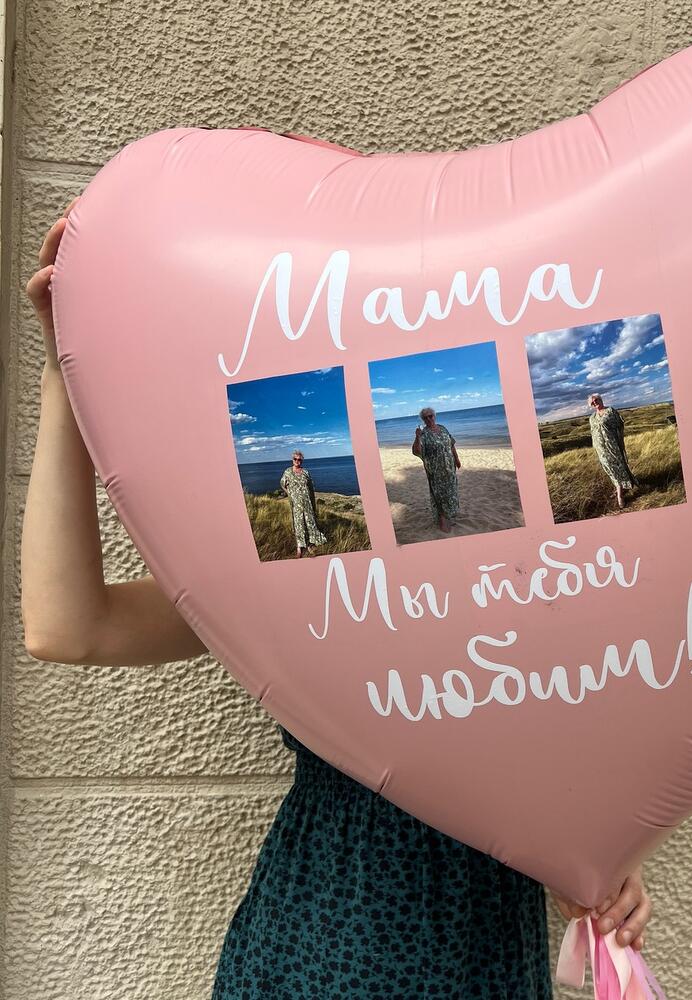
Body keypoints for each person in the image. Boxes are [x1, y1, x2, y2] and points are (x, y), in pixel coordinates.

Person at [20, 202, 653, 998]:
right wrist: (63, 372)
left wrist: (600, 854)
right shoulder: (303, 581)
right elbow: (68, 626)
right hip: (313, 952)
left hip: (486, 956)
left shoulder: (554, 573)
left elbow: (590, 747)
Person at [411, 406, 461, 533]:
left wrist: (456, 459)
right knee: (439, 494)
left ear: (434, 416)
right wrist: (417, 437)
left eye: (430, 416)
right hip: (435, 471)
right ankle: (442, 519)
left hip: (449, 467)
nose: (429, 419)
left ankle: (448, 514)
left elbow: (451, 444)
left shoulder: (443, 428)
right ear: (423, 420)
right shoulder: (424, 434)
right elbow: (416, 451)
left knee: (451, 491)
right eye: (425, 417)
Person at [588, 393, 639, 509]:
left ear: (600, 400)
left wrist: (619, 440)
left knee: (618, 468)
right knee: (610, 469)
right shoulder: (592, 418)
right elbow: (593, 433)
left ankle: (620, 495)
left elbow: (620, 425)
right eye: (592, 403)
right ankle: (620, 487)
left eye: (596, 400)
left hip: (613, 446)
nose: (595, 403)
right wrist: (595, 446)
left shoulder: (610, 412)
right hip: (601, 450)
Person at [278, 449, 327, 557]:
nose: (297, 461)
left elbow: (311, 487)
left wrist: (312, 502)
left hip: (307, 502)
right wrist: (290, 493)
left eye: (299, 459)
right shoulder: (287, 472)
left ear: (302, 461)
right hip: (296, 504)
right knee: (299, 524)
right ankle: (299, 547)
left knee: (309, 523)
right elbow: (282, 484)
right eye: (295, 459)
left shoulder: (306, 472)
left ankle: (310, 544)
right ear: (292, 460)